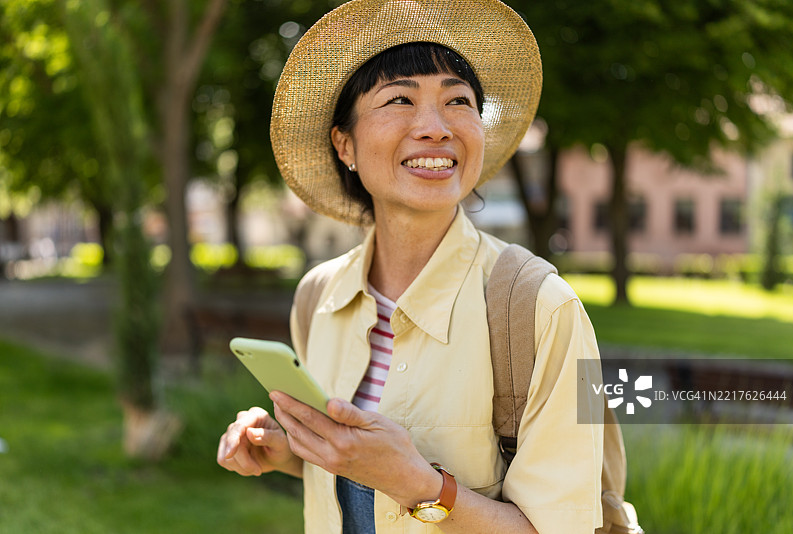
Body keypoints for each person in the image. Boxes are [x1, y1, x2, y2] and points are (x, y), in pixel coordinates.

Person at [217, 1, 604, 533]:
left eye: (458, 101)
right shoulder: (318, 297)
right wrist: (289, 450)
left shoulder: (543, 307)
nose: (435, 127)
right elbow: (355, 476)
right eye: (399, 99)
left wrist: (419, 484)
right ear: (344, 143)